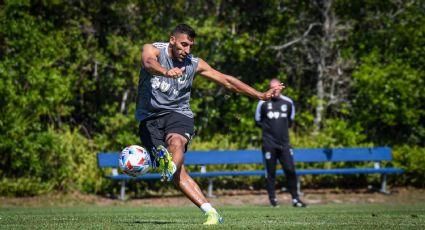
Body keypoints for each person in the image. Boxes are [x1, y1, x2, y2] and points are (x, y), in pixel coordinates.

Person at [136, 23, 283, 225]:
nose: (187, 50)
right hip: (149, 118)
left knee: (176, 142)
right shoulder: (152, 48)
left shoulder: (193, 63)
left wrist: (260, 95)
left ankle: (168, 165)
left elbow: (227, 81)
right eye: (183, 44)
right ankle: (211, 212)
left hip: (179, 113)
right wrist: (164, 71)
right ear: (172, 40)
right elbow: (148, 62)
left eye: (190, 46)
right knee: (178, 173)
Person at [254, 78, 307, 208]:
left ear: (281, 88)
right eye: (273, 87)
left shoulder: (288, 102)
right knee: (270, 173)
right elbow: (257, 121)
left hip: (284, 144)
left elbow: (291, 121)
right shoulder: (263, 103)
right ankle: (273, 200)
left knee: (290, 170)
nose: (275, 90)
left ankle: (295, 199)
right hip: (269, 144)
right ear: (269, 88)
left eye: (277, 87)